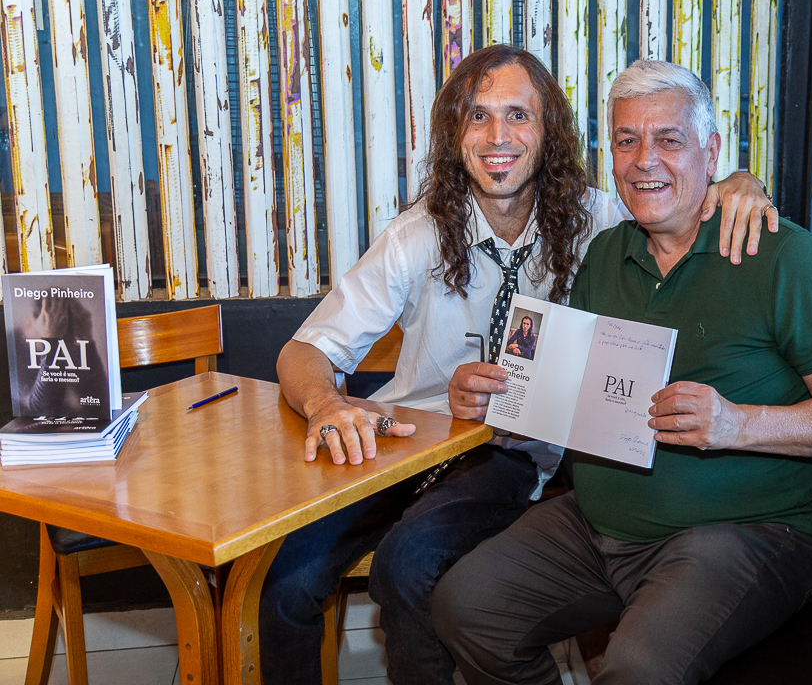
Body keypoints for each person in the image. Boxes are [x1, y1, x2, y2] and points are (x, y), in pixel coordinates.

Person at [261, 45, 777, 685]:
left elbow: (680, 198)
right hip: (405, 441)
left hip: (509, 451)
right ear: (456, 134)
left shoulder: (603, 220)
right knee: (282, 577)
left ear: (548, 132)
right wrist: (328, 403)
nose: (497, 137)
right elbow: (306, 351)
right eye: (478, 117)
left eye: (518, 116)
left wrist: (739, 185)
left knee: (407, 564)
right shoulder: (418, 234)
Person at [431, 59, 812, 685]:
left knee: (638, 669)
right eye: (626, 141)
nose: (646, 160)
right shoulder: (606, 254)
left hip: (745, 535)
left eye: (669, 140)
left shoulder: (780, 255)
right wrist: (495, 400)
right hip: (599, 529)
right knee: (466, 606)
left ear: (711, 151)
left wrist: (735, 423)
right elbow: (569, 397)